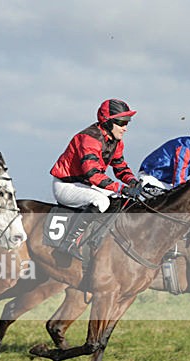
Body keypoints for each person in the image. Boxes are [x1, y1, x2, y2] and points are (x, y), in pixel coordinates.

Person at [50, 98, 141, 258]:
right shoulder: (89, 139)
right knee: (102, 201)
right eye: (121, 122)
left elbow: (120, 167)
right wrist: (122, 188)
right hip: (66, 185)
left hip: (84, 185)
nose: (125, 128)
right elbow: (93, 175)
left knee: (119, 200)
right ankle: (68, 243)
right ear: (107, 121)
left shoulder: (116, 142)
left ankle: (97, 240)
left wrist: (133, 181)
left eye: (127, 122)